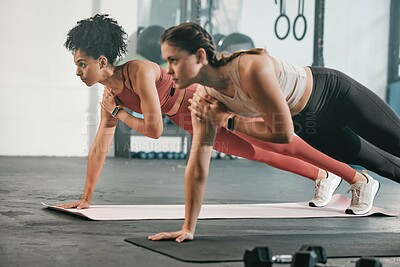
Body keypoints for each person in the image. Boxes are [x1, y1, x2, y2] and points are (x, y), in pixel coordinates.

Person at [59, 15, 367, 217]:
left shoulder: (137, 72)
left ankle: (357, 178)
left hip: (200, 97)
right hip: (185, 117)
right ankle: (323, 176)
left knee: (280, 142)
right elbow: (100, 145)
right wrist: (86, 198)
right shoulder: (110, 97)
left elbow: (153, 129)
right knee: (257, 153)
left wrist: (119, 113)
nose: (78, 71)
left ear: (102, 61)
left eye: (82, 63)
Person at [148, 22, 400, 242]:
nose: (168, 70)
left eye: (173, 60)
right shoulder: (205, 99)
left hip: (335, 94)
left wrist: (229, 121)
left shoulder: (248, 68)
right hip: (308, 122)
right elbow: (198, 165)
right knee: (383, 165)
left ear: (200, 55)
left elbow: (282, 134)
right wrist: (188, 228)